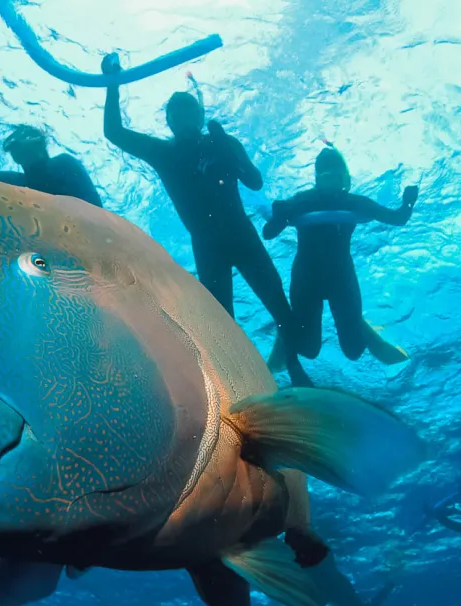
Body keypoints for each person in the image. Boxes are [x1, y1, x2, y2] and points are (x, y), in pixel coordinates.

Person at [100, 53, 313, 387]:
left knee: (277, 303)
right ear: (169, 122)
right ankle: (237, 384)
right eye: (176, 114)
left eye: (189, 112)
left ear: (199, 116)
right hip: (208, 246)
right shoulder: (164, 153)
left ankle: (297, 371)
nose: (183, 120)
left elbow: (255, 182)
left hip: (243, 237)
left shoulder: (221, 141)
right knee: (222, 322)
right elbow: (114, 131)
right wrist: (112, 83)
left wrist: (232, 151)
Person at [262, 145, 417, 364]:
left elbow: (397, 218)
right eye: (327, 177)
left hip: (341, 276)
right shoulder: (303, 201)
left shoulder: (354, 202)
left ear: (345, 178)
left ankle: (359, 325)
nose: (333, 183)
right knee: (309, 349)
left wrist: (408, 203)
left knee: (353, 351)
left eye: (337, 176)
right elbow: (268, 233)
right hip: (308, 278)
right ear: (318, 179)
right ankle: (285, 330)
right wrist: (280, 215)